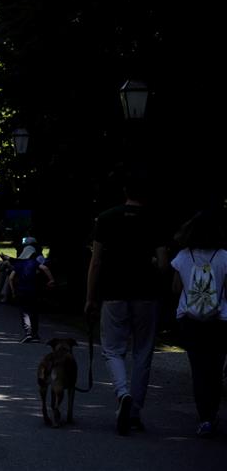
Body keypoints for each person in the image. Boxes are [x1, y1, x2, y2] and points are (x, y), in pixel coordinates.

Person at [85, 172, 169, 436]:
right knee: (143, 351)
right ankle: (134, 413)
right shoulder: (155, 219)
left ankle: (122, 393)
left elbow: (96, 261)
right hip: (146, 292)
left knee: (112, 348)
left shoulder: (107, 218)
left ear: (125, 190)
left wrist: (90, 297)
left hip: (113, 291)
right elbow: (164, 264)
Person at [170, 210, 227, 438]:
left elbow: (175, 289)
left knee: (198, 369)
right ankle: (212, 413)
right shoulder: (224, 256)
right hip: (220, 320)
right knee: (215, 368)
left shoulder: (184, 256)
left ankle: (204, 417)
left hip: (190, 320)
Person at [8, 245, 55, 343]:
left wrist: (13, 290)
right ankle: (35, 334)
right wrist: (51, 280)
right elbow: (45, 268)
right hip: (33, 291)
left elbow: (11, 278)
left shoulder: (18, 264)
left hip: (21, 291)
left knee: (24, 312)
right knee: (34, 312)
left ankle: (28, 333)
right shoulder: (34, 262)